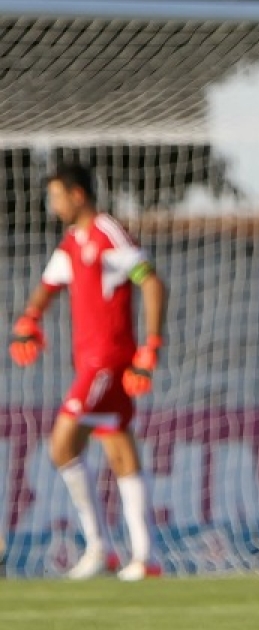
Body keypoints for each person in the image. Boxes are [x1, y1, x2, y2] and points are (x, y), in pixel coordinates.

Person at [9, 162, 168, 581]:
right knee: (119, 449)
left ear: (77, 195)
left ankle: (100, 547)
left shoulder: (106, 233)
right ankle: (145, 556)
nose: (53, 204)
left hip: (108, 361)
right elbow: (48, 287)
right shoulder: (72, 242)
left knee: (62, 445)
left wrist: (150, 347)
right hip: (90, 362)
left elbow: (151, 282)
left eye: (57, 196)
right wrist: (28, 321)